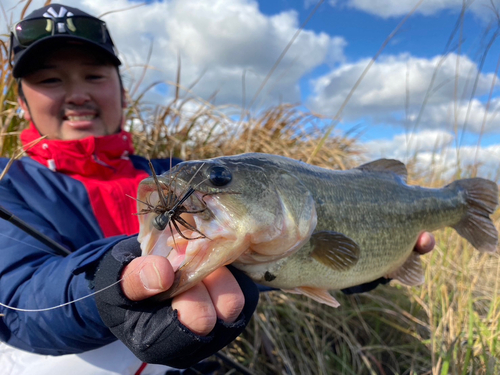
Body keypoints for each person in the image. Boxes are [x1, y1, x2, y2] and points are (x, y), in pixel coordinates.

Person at [0, 4, 435, 375]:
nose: (76, 95)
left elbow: (266, 256)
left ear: (122, 91)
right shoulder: (8, 182)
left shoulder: (182, 174)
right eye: (51, 80)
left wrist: (358, 266)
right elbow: (18, 302)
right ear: (21, 102)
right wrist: (111, 283)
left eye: (94, 75)